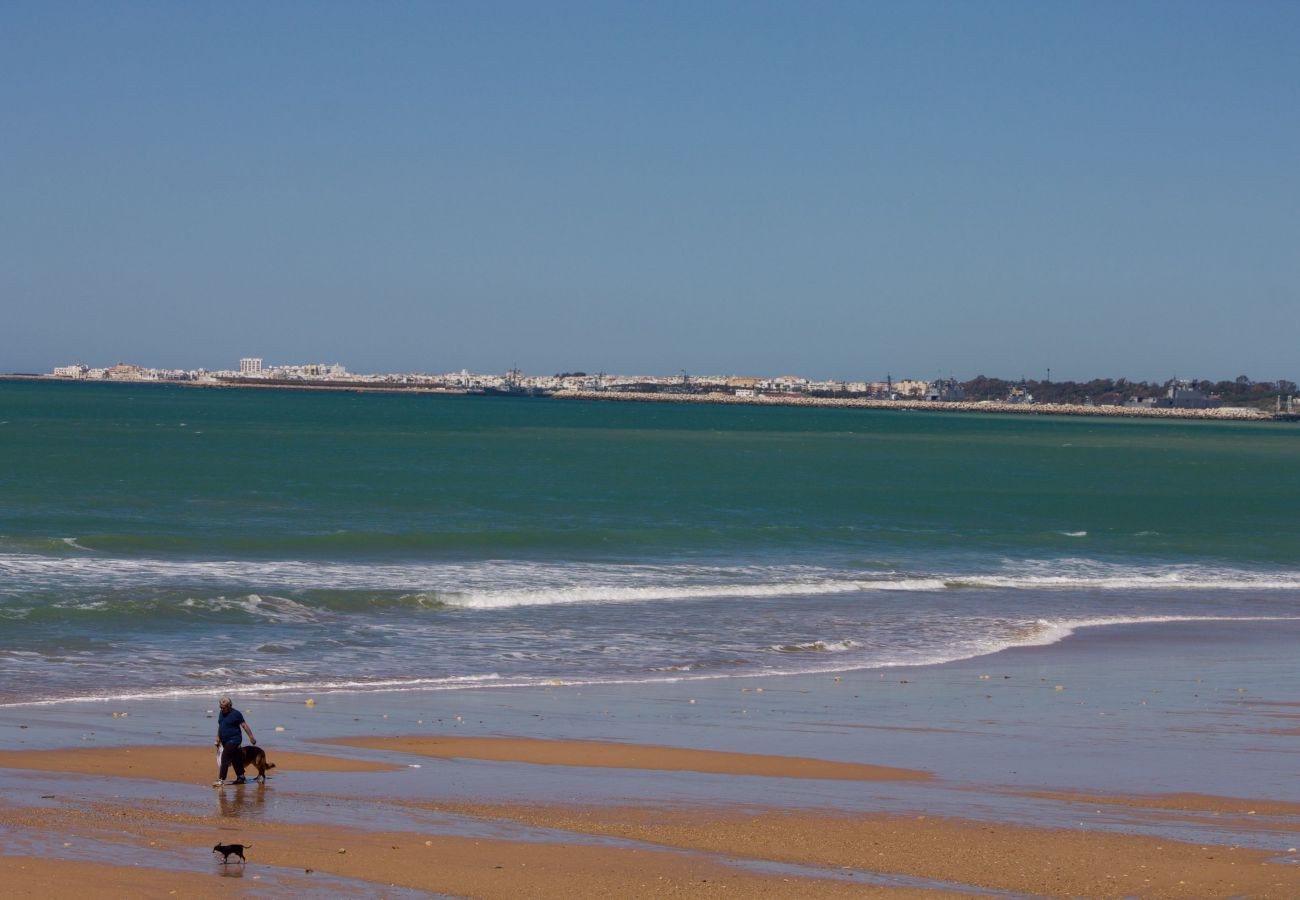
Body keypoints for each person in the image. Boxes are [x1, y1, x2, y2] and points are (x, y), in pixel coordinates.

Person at [213, 696, 257, 786]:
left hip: (234, 739)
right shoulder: (221, 713)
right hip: (224, 741)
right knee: (235, 758)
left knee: (225, 757)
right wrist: (218, 736)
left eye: (223, 707)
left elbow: (244, 725)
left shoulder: (236, 714)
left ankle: (221, 779)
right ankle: (241, 777)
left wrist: (251, 737)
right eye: (220, 707)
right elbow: (220, 725)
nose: (222, 709)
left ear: (229, 705)